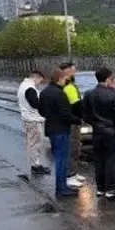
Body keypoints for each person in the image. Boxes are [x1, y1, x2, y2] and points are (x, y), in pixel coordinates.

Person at [38, 68, 82, 198]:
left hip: (51, 128)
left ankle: (62, 186)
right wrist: (78, 120)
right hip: (61, 130)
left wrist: (51, 116)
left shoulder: (44, 92)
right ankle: (61, 188)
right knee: (61, 160)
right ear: (59, 79)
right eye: (64, 79)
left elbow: (41, 111)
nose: (65, 81)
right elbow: (66, 114)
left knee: (59, 158)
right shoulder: (59, 93)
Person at [83, 67, 115, 197]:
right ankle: (111, 188)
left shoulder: (89, 94)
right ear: (108, 78)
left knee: (99, 160)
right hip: (111, 131)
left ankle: (100, 188)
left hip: (97, 132)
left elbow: (85, 115)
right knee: (111, 160)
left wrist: (95, 124)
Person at [17, 70, 50, 175]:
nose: (40, 83)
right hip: (33, 119)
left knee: (32, 143)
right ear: (36, 77)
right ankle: (36, 166)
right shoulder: (30, 88)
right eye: (40, 80)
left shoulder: (23, 85)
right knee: (36, 144)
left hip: (28, 119)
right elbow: (35, 103)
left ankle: (35, 164)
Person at [60, 62, 85, 188]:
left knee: (76, 148)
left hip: (75, 120)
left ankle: (74, 173)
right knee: (72, 147)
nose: (75, 71)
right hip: (72, 121)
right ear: (66, 71)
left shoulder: (70, 85)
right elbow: (75, 105)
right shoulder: (67, 86)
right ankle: (70, 175)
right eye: (73, 69)